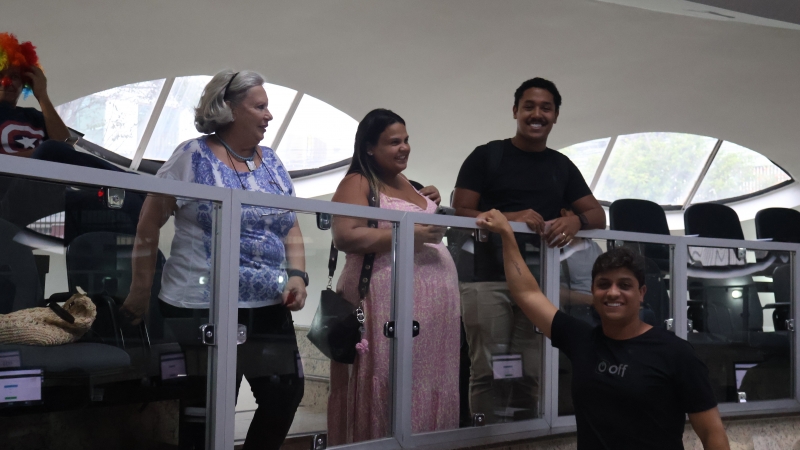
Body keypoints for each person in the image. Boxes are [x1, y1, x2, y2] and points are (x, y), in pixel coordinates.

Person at [121, 70, 307, 450]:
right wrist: (140, 290)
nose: (269, 115)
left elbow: (291, 226)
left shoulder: (272, 162)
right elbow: (149, 223)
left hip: (268, 305)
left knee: (285, 393)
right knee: (207, 409)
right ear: (229, 109)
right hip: (201, 306)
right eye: (260, 106)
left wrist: (297, 275)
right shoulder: (191, 156)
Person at [476, 209, 730, 450]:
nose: (613, 293)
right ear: (593, 291)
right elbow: (527, 293)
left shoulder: (676, 353)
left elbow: (712, 433)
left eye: (624, 285)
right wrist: (507, 234)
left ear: (641, 293)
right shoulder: (581, 340)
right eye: (604, 284)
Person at [452, 77, 605, 423]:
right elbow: (459, 213)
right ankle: (485, 440)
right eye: (529, 107)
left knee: (531, 370)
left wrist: (576, 221)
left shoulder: (560, 166)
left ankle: (525, 437)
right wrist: (511, 218)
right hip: (485, 278)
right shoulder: (487, 155)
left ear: (556, 115)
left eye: (545, 108)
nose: (537, 114)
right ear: (515, 111)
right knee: (487, 370)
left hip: (538, 282)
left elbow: (599, 215)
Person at [327, 108, 459, 443]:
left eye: (406, 140)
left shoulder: (414, 186)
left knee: (426, 380)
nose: (404, 148)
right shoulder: (358, 182)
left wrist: (428, 202)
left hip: (433, 316)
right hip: (385, 304)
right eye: (393, 142)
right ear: (369, 148)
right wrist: (407, 234)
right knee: (388, 377)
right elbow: (345, 235)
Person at [0, 32, 124, 171]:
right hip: (9, 182)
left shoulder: (36, 117)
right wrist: (40, 154)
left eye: (15, 76)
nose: (6, 82)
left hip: (46, 182)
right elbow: (54, 151)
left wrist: (42, 95)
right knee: (50, 149)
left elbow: (65, 146)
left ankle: (131, 182)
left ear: (25, 82)